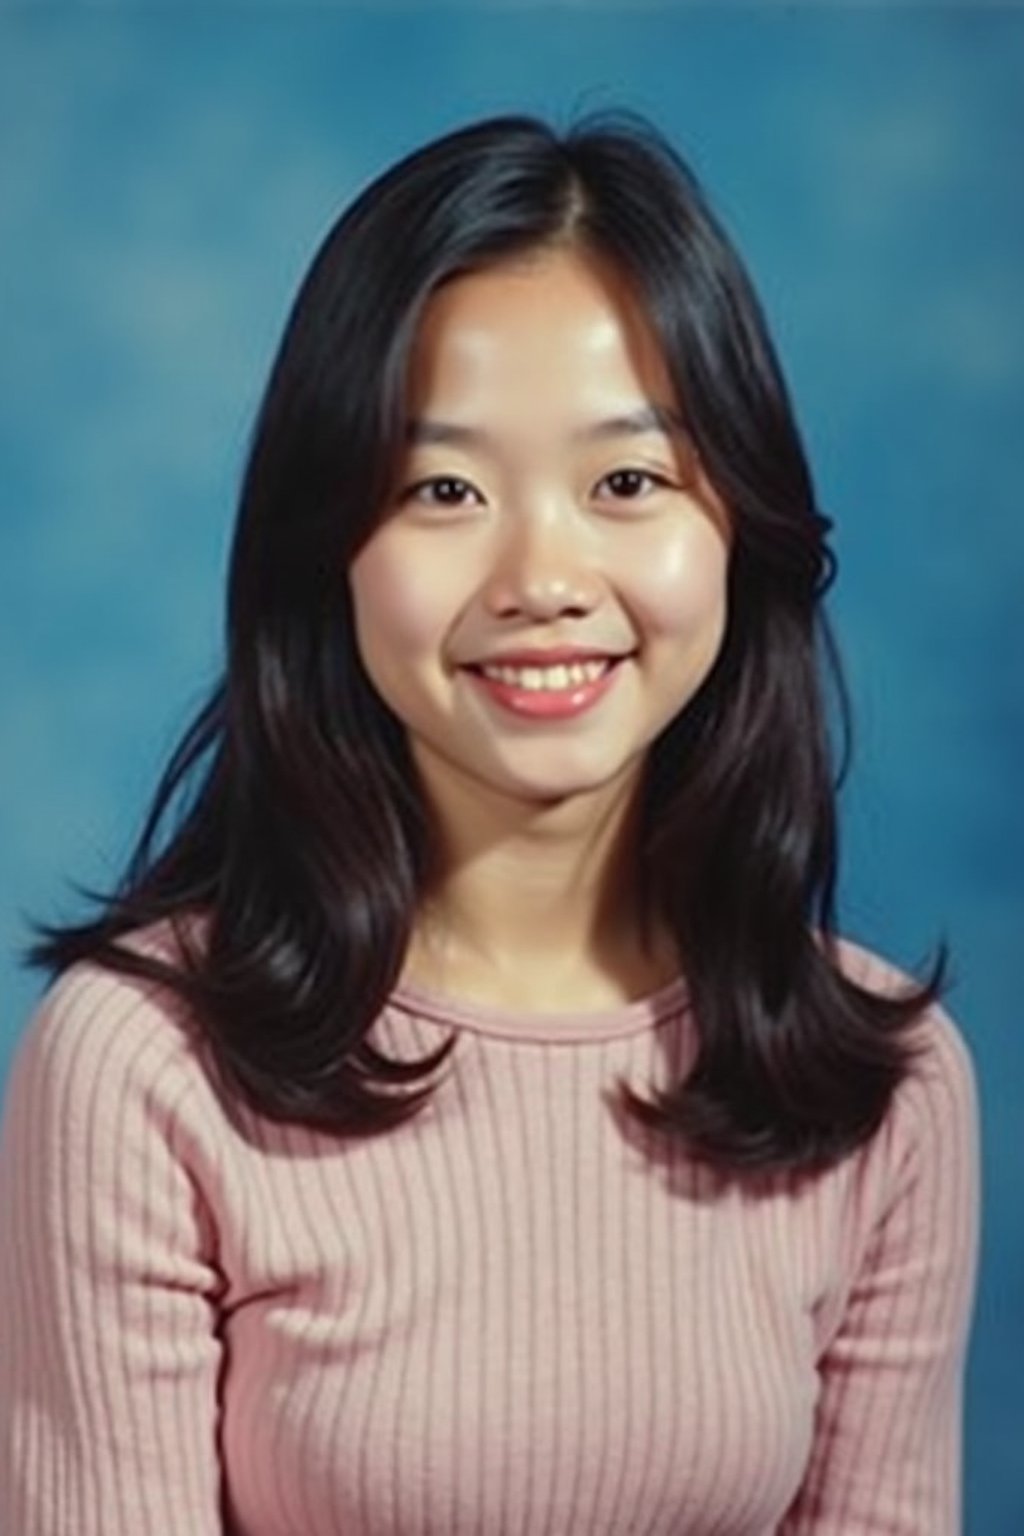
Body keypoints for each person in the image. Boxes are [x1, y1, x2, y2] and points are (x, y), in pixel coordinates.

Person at [0, 113, 979, 1535]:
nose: (543, 575)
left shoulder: (882, 1082)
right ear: (324, 544)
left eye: (627, 482)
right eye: (443, 489)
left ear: (738, 531)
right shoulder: (146, 1065)